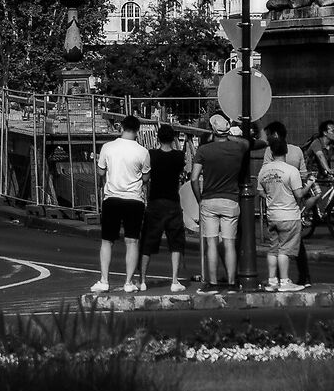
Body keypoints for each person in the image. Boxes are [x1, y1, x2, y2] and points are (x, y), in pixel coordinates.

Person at [90, 115, 151, 293]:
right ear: (138, 131)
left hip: (112, 197)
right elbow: (146, 177)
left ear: (121, 128)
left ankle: (104, 280)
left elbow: (101, 171)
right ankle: (128, 282)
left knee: (107, 241)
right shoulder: (143, 152)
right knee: (132, 241)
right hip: (134, 199)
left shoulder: (108, 147)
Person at [191, 121, 251, 292]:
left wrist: (199, 198)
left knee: (211, 243)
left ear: (212, 130)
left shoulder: (204, 150)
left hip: (209, 199)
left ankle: (213, 283)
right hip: (231, 199)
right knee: (229, 243)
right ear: (227, 131)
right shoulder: (237, 148)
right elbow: (246, 143)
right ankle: (232, 283)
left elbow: (194, 178)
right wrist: (229, 135)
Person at [256, 129, 307, 290]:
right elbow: (299, 194)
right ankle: (284, 281)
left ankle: (272, 281)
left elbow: (260, 191)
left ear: (271, 152)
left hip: (273, 214)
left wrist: (271, 197)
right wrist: (310, 185)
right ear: (286, 151)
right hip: (289, 214)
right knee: (285, 250)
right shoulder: (291, 170)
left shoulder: (264, 171)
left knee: (273, 249)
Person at [141, 123, 189, 294]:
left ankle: (143, 280)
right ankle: (174, 280)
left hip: (155, 201)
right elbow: (182, 171)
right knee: (175, 241)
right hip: (172, 201)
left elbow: (145, 177)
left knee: (148, 241)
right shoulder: (178, 156)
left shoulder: (152, 154)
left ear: (157, 138)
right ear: (173, 138)